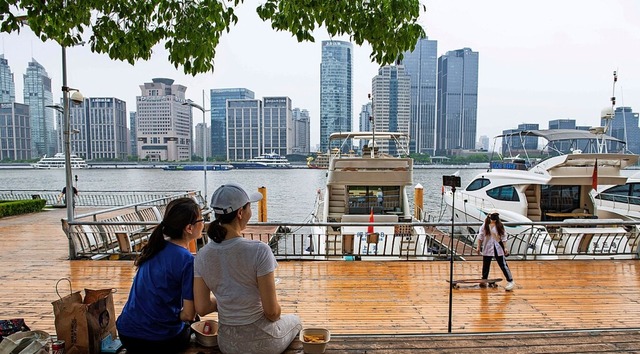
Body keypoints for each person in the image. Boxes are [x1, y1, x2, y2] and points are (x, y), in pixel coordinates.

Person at [194, 183, 302, 354]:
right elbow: (272, 313)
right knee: (296, 320)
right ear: (240, 213)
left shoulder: (202, 255)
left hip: (227, 343)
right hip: (263, 343)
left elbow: (202, 307)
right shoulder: (259, 250)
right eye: (249, 206)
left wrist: (229, 299)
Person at [116, 198, 204, 353]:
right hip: (158, 341)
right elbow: (188, 314)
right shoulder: (187, 260)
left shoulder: (155, 246)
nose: (204, 223)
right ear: (189, 228)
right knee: (194, 322)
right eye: (202, 219)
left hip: (126, 333)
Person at [477, 211, 515, 291]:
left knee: (503, 265)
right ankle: (484, 279)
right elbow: (480, 236)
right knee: (486, 265)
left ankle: (510, 280)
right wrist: (478, 247)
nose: (493, 220)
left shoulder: (500, 225)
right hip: (488, 247)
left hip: (498, 247)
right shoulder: (485, 225)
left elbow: (504, 237)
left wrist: (505, 248)